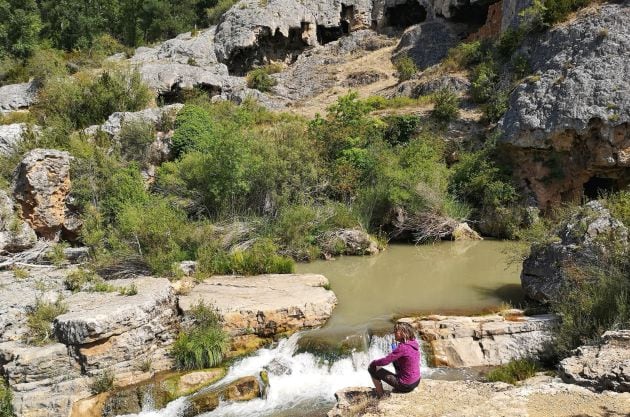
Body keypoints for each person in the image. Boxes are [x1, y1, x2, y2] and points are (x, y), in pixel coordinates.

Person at [368, 322, 420, 398]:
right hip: (416, 381)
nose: (394, 333)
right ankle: (399, 380)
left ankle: (381, 394)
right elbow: (404, 356)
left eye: (396, 331)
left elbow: (385, 361)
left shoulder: (402, 347)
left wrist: (374, 363)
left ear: (403, 333)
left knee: (372, 368)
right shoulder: (413, 343)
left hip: (406, 385)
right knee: (396, 360)